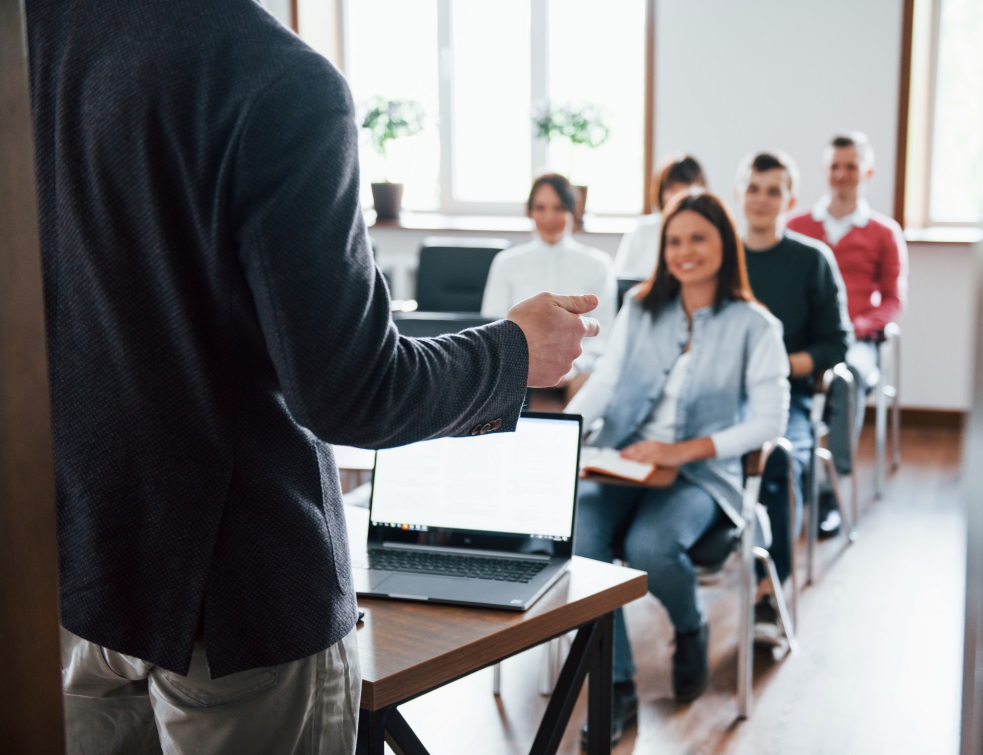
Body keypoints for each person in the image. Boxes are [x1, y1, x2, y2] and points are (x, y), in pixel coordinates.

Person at [26, 2, 599, 752]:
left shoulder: (37, 36)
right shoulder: (275, 80)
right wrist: (513, 352)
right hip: (238, 604)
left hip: (82, 573)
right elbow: (354, 390)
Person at [568, 191, 789, 745]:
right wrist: (563, 436)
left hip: (700, 473)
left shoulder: (755, 325)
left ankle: (689, 628)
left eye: (698, 238)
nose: (684, 251)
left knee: (649, 547)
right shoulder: (642, 309)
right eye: (674, 240)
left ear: (724, 245)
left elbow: (768, 421)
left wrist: (682, 451)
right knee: (580, 540)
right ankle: (615, 684)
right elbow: (608, 383)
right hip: (622, 459)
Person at [736, 150, 852, 638]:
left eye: (773, 190)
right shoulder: (720, 258)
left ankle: (769, 590)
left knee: (780, 461)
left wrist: (775, 366)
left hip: (788, 396)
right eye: (754, 188)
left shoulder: (812, 260)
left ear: (791, 199)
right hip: (718, 397)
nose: (761, 199)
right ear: (740, 192)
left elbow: (835, 344)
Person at [787, 132, 908, 520]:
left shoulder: (884, 232)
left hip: (855, 339)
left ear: (866, 172)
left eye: (850, 167)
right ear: (825, 171)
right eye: (835, 167)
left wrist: (859, 325)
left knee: (847, 375)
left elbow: (893, 300)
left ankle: (828, 485)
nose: (841, 175)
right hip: (804, 336)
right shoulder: (797, 225)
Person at [481, 173, 617, 400]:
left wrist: (573, 367)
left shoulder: (598, 265)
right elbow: (492, 323)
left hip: (576, 371)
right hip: (518, 370)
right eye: (540, 208)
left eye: (559, 207)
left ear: (573, 211)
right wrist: (526, 365)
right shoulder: (507, 263)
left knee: (592, 388)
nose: (549, 217)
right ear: (530, 212)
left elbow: (605, 333)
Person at [612, 154, 707, 280]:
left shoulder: (709, 230)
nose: (678, 195)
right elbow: (621, 279)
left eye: (685, 186)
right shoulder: (642, 231)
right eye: (671, 188)